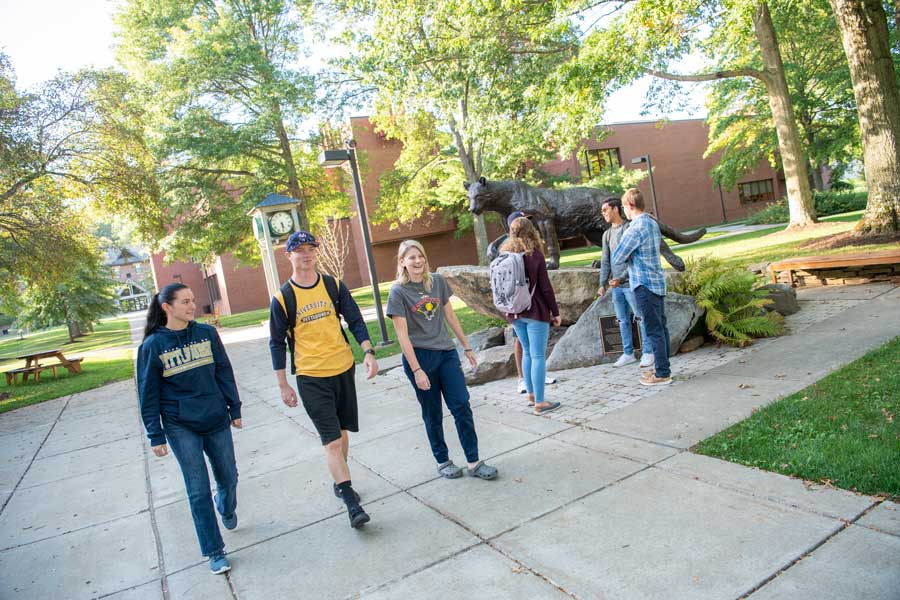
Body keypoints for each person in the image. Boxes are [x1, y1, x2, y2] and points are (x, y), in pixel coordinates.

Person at [269, 230, 378, 528]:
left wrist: (367, 351)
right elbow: (277, 343)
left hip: (343, 368)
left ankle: (339, 482)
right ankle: (350, 500)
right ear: (288, 255)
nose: (306, 254)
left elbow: (354, 318)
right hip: (310, 376)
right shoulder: (283, 298)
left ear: (316, 252)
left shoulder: (333, 285)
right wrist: (283, 384)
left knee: (342, 435)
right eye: (299, 249)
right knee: (331, 441)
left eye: (310, 249)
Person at [137, 283, 242, 575]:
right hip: (180, 424)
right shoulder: (152, 346)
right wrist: (155, 434)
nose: (192, 306)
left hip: (215, 417)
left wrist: (235, 408)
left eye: (192, 300)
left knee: (229, 476)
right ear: (166, 307)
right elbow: (148, 394)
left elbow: (224, 371)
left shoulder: (207, 334)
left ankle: (226, 504)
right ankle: (214, 551)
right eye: (184, 302)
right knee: (197, 489)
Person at [387, 239, 498, 480]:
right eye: (412, 257)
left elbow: (450, 315)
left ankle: (474, 461)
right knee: (433, 412)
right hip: (420, 358)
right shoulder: (398, 292)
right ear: (402, 262)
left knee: (461, 405)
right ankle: (442, 460)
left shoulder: (436, 282)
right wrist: (417, 370)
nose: (417, 261)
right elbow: (402, 336)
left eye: (421, 256)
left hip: (446, 353)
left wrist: (466, 347)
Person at [499, 217, 562, 415]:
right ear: (531, 231)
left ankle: (531, 395)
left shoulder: (505, 254)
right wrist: (555, 312)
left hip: (515, 312)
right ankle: (540, 402)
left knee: (527, 352)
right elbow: (545, 287)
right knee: (537, 355)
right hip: (535, 311)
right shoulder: (534, 255)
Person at [610, 188, 673, 386]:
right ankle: (662, 367)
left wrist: (629, 255)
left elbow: (618, 257)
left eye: (623, 207)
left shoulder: (635, 227)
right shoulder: (652, 222)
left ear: (630, 205)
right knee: (660, 328)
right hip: (656, 282)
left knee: (654, 329)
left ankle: (662, 373)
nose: (623, 211)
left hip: (643, 285)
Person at [597, 197, 654, 369]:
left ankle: (648, 352)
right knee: (622, 320)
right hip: (616, 287)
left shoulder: (628, 228)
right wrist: (602, 283)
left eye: (605, 210)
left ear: (616, 209)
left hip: (631, 283)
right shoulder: (607, 234)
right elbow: (605, 261)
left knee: (640, 317)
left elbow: (633, 258)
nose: (603, 213)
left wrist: (621, 278)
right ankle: (628, 353)